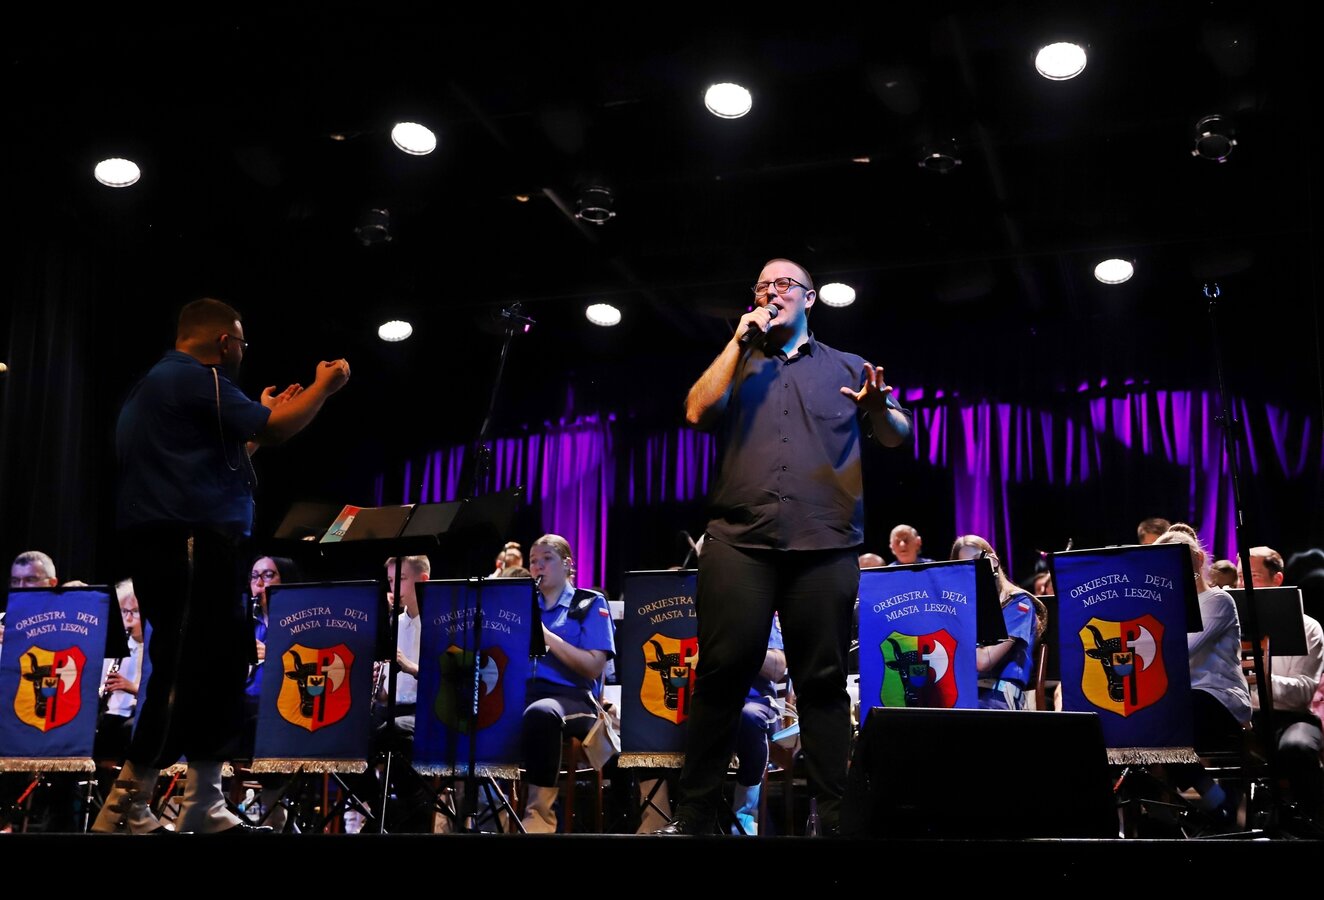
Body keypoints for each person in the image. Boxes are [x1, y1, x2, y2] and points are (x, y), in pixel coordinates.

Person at [658, 258, 912, 836]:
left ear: (810, 298)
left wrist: (877, 408)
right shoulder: (738, 360)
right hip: (739, 542)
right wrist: (737, 340)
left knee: (821, 680)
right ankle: (696, 813)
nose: (772, 292)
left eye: (784, 284)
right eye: (762, 286)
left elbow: (897, 434)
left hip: (823, 544)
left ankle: (836, 817)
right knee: (722, 672)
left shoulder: (846, 366)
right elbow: (696, 410)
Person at [93, 296, 349, 835]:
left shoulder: (158, 386)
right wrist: (324, 387)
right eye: (242, 343)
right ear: (225, 342)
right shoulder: (195, 377)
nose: (241, 352)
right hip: (188, 543)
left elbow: (227, 456)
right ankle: (124, 807)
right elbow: (277, 429)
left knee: (224, 662)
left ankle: (204, 800)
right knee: (182, 668)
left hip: (191, 543)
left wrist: (260, 416)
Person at [1153, 527, 1250, 824]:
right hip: (1182, 699)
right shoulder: (1164, 605)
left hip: (1218, 699)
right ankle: (1171, 816)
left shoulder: (1218, 601)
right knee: (1141, 722)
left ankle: (1215, 806)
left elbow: (1181, 651)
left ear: (1197, 560)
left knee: (1160, 719)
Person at [520, 534, 615, 833]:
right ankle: (486, 812)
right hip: (524, 692)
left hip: (573, 696)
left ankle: (540, 816)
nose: (538, 566)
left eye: (547, 559)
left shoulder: (589, 603)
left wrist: (548, 637)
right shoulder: (523, 604)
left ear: (567, 564)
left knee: (541, 713)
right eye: (533, 561)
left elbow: (593, 667)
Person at [1239, 545, 1323, 825]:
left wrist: (1261, 681)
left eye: (1252, 577)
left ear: (1277, 579)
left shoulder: (1308, 628)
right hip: (1243, 718)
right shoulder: (1229, 625)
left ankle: (1312, 822)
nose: (1243, 585)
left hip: (1290, 719)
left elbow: (1303, 693)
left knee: (1298, 746)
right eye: (1240, 577)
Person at [950, 535, 1047, 710]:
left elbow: (983, 661)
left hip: (998, 695)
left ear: (993, 561)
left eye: (976, 561)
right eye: (965, 566)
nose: (972, 570)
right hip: (963, 692)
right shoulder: (961, 608)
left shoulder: (1018, 604)